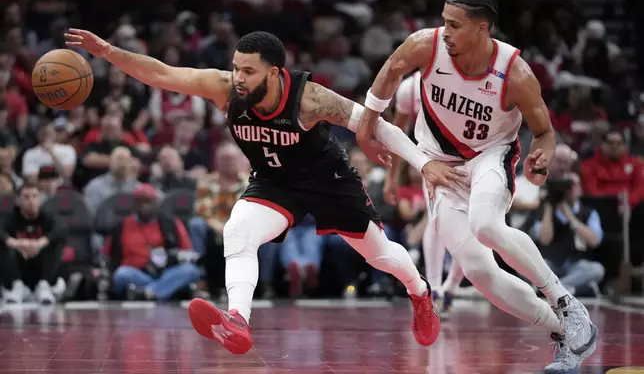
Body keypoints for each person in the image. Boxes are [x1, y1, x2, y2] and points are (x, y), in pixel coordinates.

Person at [65, 29, 442, 355]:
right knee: (238, 230)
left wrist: (423, 164)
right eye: (235, 67)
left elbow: (376, 125)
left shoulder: (309, 98)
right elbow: (162, 74)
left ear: (275, 73)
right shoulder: (225, 90)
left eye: (248, 70)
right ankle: (237, 320)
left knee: (381, 257)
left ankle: (420, 292)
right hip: (274, 182)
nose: (238, 77)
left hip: (329, 181)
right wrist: (109, 52)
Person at [354, 0, 596, 372]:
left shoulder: (514, 72)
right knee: (480, 271)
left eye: (454, 25)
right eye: (444, 22)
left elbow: (545, 132)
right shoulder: (425, 46)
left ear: (483, 29)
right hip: (437, 161)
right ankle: (566, 332)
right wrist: (366, 126)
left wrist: (542, 156)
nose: (444, 31)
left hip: (489, 156)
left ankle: (565, 302)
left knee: (485, 225)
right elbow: (391, 70)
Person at [389, 70, 465, 317]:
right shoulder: (410, 88)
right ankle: (434, 289)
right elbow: (395, 136)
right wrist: (392, 178)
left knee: (473, 227)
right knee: (437, 219)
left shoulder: (468, 76)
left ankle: (451, 286)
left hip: (473, 158)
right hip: (432, 159)